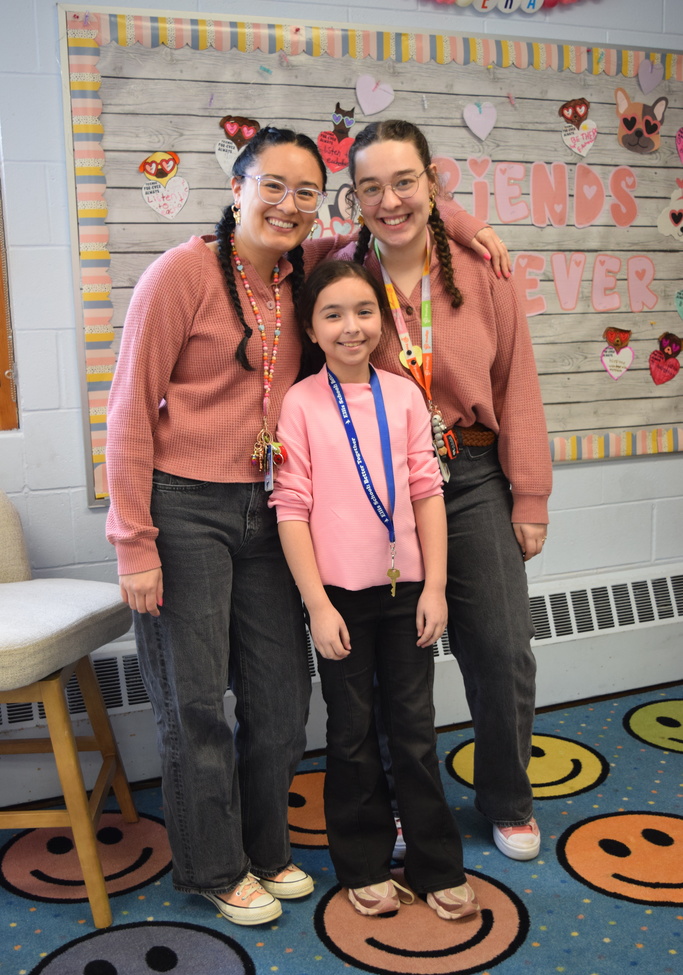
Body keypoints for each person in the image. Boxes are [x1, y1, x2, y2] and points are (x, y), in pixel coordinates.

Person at [105, 125, 501, 926]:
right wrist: (133, 541)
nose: (288, 205)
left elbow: (395, 221)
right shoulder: (179, 275)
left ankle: (266, 849)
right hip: (186, 507)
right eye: (272, 187)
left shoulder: (302, 270)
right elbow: (124, 415)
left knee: (280, 702)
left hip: (272, 509)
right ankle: (214, 867)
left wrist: (459, 224)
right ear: (236, 190)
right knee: (196, 703)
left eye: (306, 193)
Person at [336, 120, 553, 862]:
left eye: (405, 182)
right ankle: (409, 806)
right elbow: (267, 246)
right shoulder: (338, 268)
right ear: (353, 197)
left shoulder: (480, 268)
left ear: (432, 180)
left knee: (500, 650)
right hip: (379, 491)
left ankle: (507, 797)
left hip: (469, 478)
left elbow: (516, 383)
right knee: (398, 667)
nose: (389, 200)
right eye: (371, 187)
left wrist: (530, 495)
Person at [270, 260, 479, 920]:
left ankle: (434, 863)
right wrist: (316, 605)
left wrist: (436, 587)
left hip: (408, 590)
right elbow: (291, 507)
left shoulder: (405, 394)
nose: (350, 326)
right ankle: (361, 863)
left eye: (363, 311)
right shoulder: (300, 403)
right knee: (352, 733)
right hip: (338, 599)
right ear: (310, 328)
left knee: (414, 731)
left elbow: (426, 491)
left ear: (383, 320)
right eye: (331, 314)